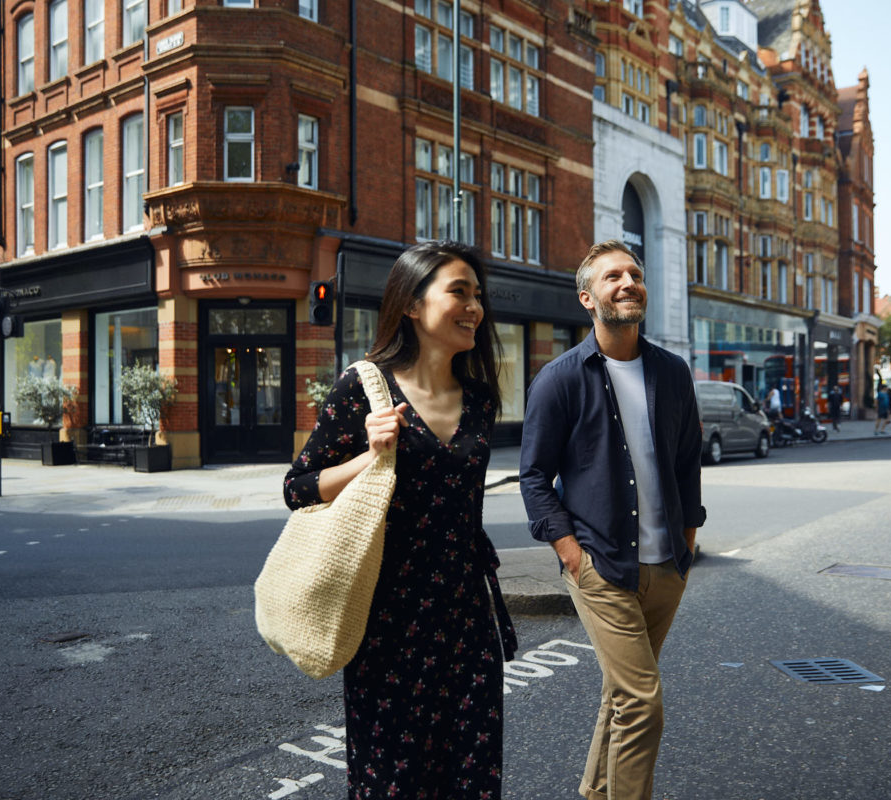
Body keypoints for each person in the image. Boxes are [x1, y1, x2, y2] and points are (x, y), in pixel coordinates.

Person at [283, 241, 516, 800]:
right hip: (388, 620)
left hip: (466, 617)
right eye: (458, 291)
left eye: (477, 295)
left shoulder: (480, 399)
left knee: (472, 776)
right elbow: (298, 489)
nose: (474, 307)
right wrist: (369, 454)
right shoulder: (364, 389)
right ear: (412, 305)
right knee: (393, 782)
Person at [519, 240, 705, 800]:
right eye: (611, 277)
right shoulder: (560, 378)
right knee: (644, 703)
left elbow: (686, 460)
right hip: (601, 564)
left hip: (666, 564)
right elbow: (533, 479)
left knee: (623, 697)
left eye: (635, 273)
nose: (627, 283)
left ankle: (596, 792)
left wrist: (688, 537)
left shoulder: (672, 372)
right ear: (587, 297)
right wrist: (570, 553)